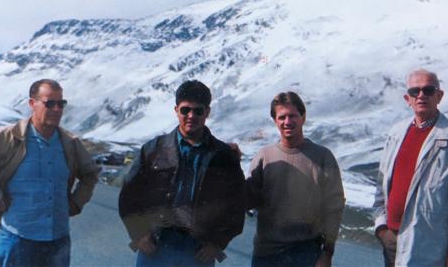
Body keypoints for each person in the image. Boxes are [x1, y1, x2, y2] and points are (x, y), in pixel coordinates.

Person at [0, 79, 99, 267]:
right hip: (17, 238)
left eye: (61, 104)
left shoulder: (70, 143)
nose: (56, 109)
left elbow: (90, 174)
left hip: (58, 241)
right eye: (49, 103)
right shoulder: (6, 138)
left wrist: (77, 202)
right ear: (31, 104)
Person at [118, 80, 245, 267]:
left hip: (197, 252)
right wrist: (139, 234)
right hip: (156, 245)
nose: (191, 116)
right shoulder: (154, 149)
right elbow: (129, 195)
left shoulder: (223, 156)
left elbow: (236, 205)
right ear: (176, 110)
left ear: (207, 112)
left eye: (198, 110)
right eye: (185, 110)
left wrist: (217, 243)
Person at [373, 69, 448, 267]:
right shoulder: (396, 133)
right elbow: (382, 183)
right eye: (415, 91)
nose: (421, 95)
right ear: (407, 98)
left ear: (439, 96)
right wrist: (381, 227)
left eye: (428, 90)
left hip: (429, 245)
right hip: (392, 240)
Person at [246, 91, 345, 267]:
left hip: (307, 255)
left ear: (303, 117)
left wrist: (327, 254)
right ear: (275, 120)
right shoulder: (264, 157)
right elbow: (246, 200)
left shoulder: (323, 157)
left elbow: (334, 208)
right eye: (282, 117)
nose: (287, 122)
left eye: (293, 115)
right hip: (266, 255)